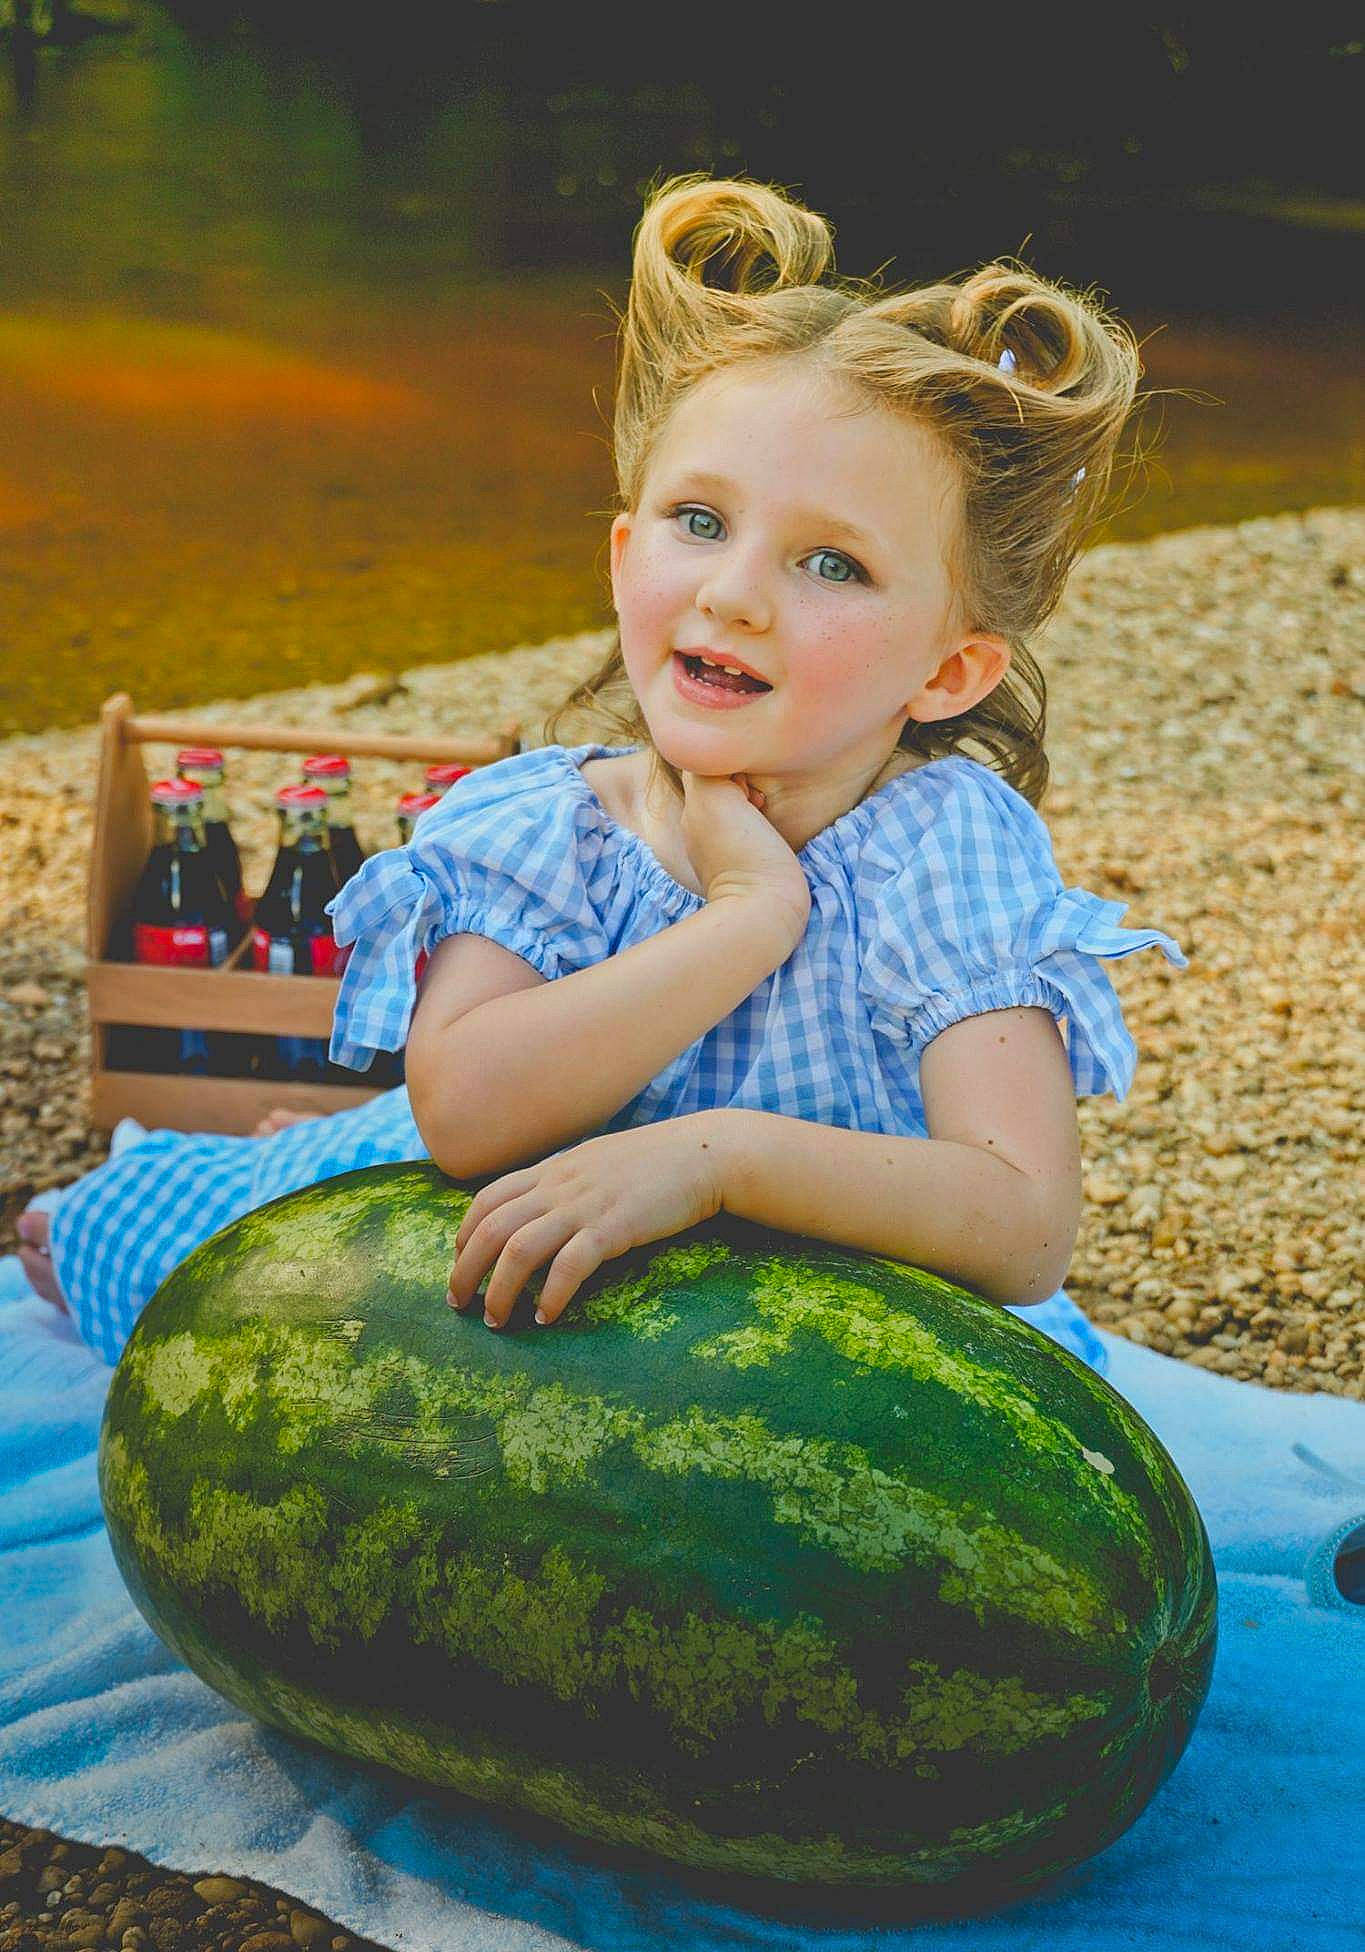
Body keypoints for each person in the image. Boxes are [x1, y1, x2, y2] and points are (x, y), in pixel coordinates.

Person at [18, 172, 1184, 1374]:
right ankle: (137, 1204)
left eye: (831, 564)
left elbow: (1026, 1222)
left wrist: (718, 1156)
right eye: (698, 520)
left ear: (949, 671)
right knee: (163, 1250)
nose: (733, 591)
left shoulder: (944, 853)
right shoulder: (554, 827)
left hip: (810, 1342)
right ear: (625, 557)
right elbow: (468, 1115)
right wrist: (749, 915)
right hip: (513, 1247)